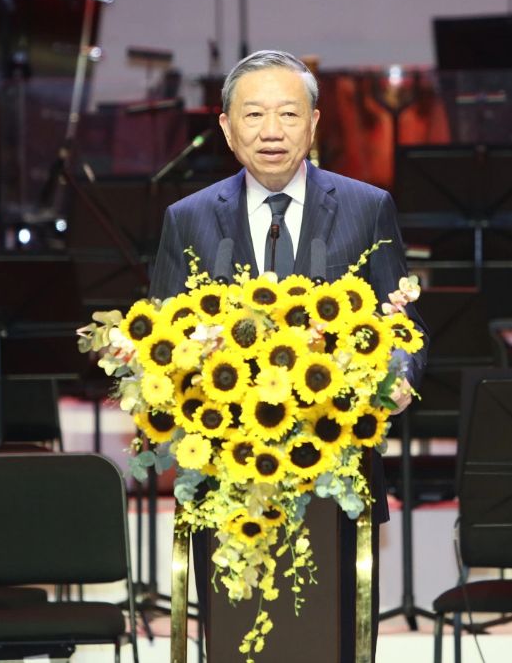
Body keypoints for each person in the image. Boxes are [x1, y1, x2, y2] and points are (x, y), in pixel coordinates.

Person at [148, 49, 427, 660]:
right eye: (252, 115)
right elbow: (159, 345)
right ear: (225, 127)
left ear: (314, 123)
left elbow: (404, 330)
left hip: (337, 476)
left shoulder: (366, 207)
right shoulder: (188, 220)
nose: (270, 132)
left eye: (287, 114)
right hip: (226, 483)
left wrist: (398, 377)